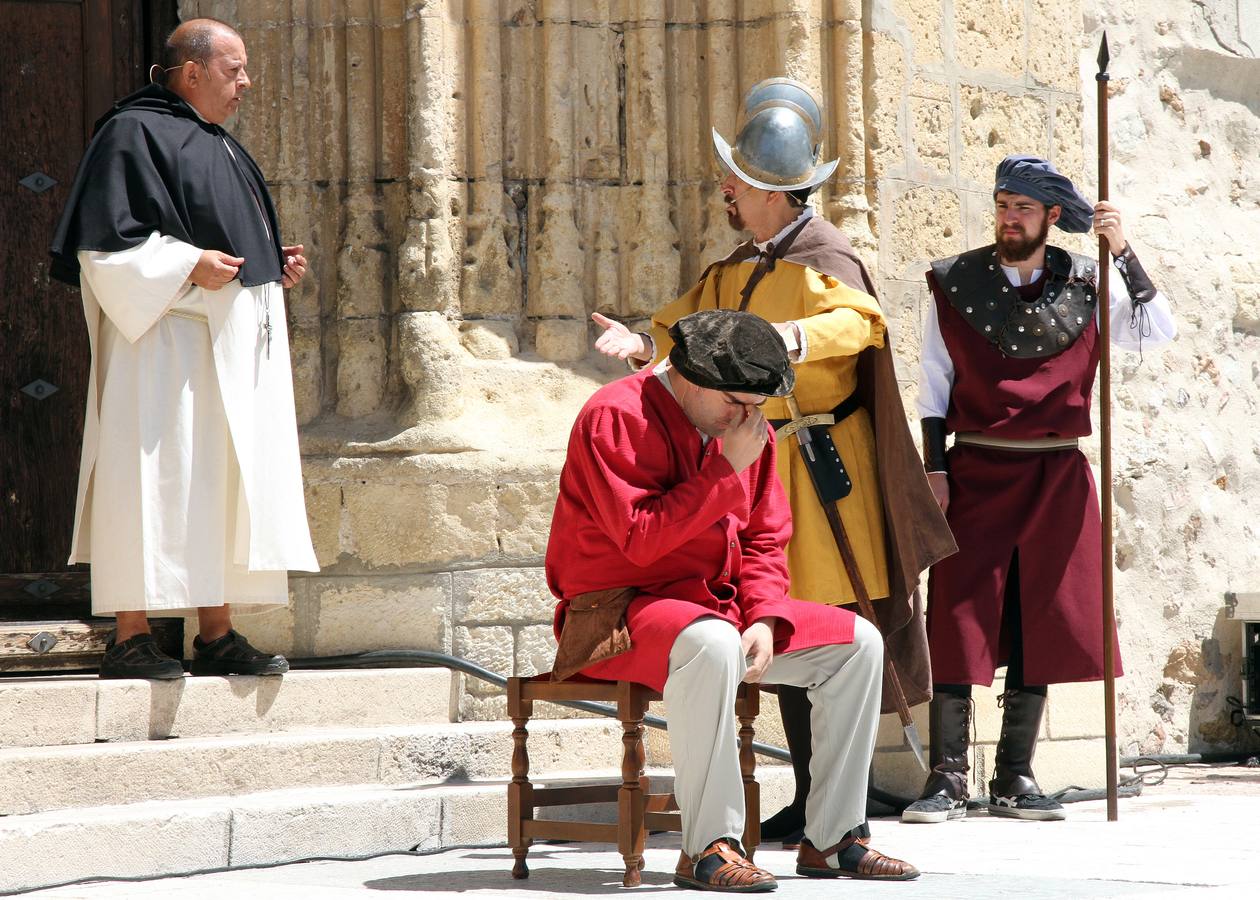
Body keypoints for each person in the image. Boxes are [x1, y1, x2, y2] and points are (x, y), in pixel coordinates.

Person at [592, 78, 953, 844]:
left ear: (772, 194)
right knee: (775, 619)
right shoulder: (735, 266)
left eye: (740, 182)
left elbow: (859, 326)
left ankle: (837, 803)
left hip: (821, 467)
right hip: (754, 461)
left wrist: (790, 340)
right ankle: (809, 794)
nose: (727, 190)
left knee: (829, 623)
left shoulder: (826, 256)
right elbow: (687, 328)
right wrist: (645, 345)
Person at [548, 309, 920, 890]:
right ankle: (711, 849)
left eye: (757, 405)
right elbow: (640, 541)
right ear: (692, 381)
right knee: (713, 641)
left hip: (714, 609)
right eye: (737, 403)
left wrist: (767, 618)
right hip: (615, 613)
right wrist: (724, 471)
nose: (749, 418)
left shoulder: (747, 433)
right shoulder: (615, 415)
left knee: (858, 643)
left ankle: (833, 836)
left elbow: (766, 539)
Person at [903, 155, 1176, 824]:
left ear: (1052, 218)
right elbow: (934, 384)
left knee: (1045, 615)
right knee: (960, 615)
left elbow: (1156, 332)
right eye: (1002, 204)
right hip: (976, 469)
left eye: (1022, 207)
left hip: (1058, 474)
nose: (1008, 217)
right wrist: (934, 469)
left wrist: (1123, 251)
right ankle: (947, 776)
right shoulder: (953, 282)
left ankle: (1014, 775)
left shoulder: (1091, 281)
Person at [49, 18, 318, 679]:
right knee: (151, 482)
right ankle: (131, 635)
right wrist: (188, 265)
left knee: (219, 483)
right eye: (235, 69)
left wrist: (268, 262)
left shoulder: (219, 145)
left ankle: (216, 632)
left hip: (222, 348)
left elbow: (224, 240)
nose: (247, 82)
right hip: (160, 343)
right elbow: (103, 248)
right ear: (192, 72)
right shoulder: (130, 132)